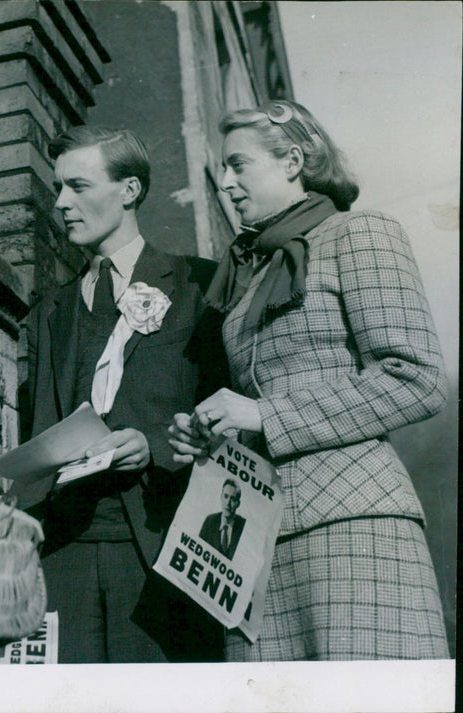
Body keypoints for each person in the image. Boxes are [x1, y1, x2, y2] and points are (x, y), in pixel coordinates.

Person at [168, 100, 449, 661]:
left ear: (293, 161)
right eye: (222, 169)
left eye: (238, 165)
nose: (226, 183)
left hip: (354, 524)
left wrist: (264, 415)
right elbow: (260, 400)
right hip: (254, 542)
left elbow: (416, 378)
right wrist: (215, 434)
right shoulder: (248, 278)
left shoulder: (357, 233)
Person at [17, 125, 227, 663]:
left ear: (129, 190)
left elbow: (227, 416)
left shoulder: (198, 285)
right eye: (59, 188)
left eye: (79, 186)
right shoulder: (49, 312)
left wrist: (151, 444)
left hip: (161, 544)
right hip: (64, 550)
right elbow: (40, 430)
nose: (61, 203)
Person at [199, 478, 246, 560]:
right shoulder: (209, 521)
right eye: (226, 496)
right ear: (221, 497)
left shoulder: (243, 526)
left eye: (233, 499)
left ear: (238, 504)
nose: (228, 503)